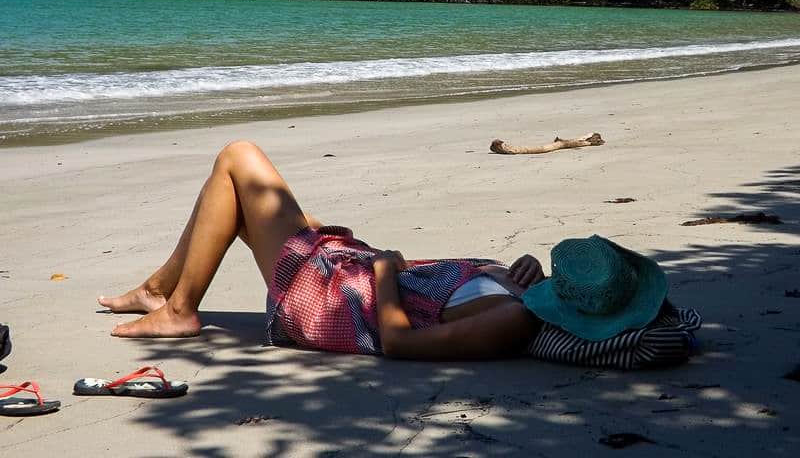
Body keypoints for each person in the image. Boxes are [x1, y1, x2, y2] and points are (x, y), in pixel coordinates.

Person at [99, 141, 545, 359]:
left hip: (331, 303)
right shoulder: (533, 293)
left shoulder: (516, 319)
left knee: (237, 158)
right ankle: (158, 290)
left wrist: (387, 271)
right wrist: (516, 268)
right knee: (236, 196)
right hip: (346, 273)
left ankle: (178, 310)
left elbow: (399, 343)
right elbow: (445, 289)